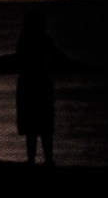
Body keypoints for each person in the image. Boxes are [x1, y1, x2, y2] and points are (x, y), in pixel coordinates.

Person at [14, 10, 69, 164]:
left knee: (31, 125)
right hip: (43, 85)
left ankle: (31, 158)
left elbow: (19, 60)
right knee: (45, 125)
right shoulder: (47, 41)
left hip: (28, 85)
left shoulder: (24, 41)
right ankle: (48, 158)